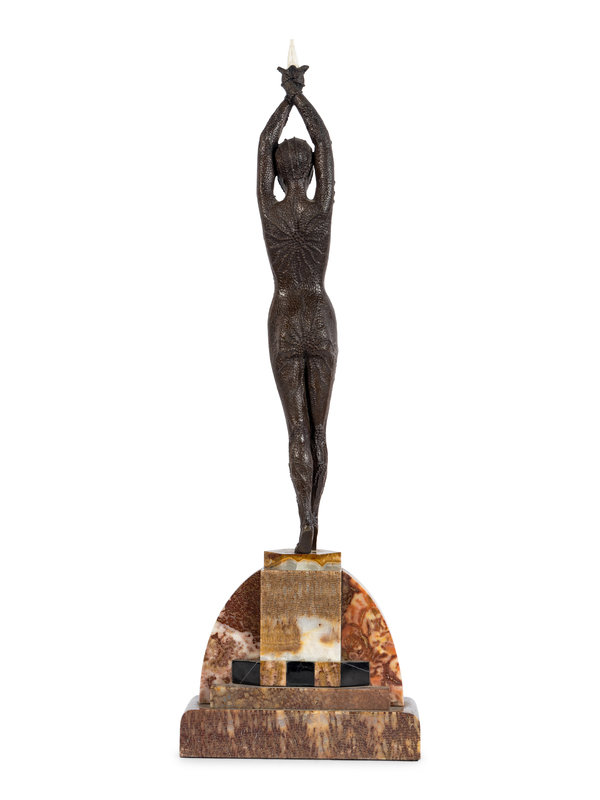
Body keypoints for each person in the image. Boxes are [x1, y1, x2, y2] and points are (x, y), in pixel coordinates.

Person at [257, 65, 337, 554]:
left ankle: (304, 519)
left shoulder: (271, 212)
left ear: (278, 170)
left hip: (286, 316)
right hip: (319, 315)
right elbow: (324, 143)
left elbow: (262, 145)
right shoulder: (321, 210)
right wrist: (300, 97)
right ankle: (315, 521)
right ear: (308, 170)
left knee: (297, 430)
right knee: (320, 429)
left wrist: (284, 100)